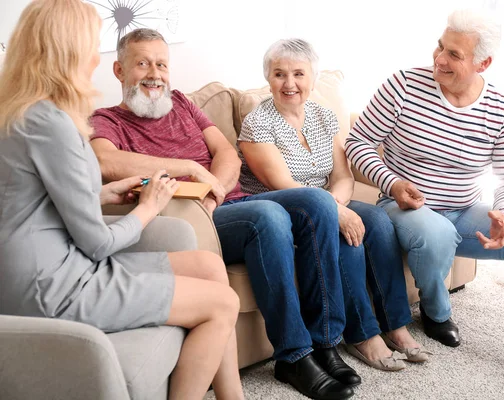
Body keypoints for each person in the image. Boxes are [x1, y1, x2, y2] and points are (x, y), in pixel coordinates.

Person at [345, 8, 504, 399]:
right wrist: (392, 183)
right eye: (439, 47)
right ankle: (436, 312)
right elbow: (357, 142)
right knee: (434, 230)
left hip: (464, 211)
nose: (439, 59)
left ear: (484, 62)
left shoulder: (503, 110)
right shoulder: (402, 85)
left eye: (454, 55)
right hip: (401, 208)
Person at [90, 28, 358, 400]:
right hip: (187, 218)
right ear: (119, 70)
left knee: (316, 201)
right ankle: (293, 356)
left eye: (162, 64)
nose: (155, 73)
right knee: (269, 216)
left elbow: (227, 153)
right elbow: (105, 160)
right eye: (142, 63)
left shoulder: (182, 103)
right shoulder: (107, 120)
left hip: (227, 205)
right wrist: (186, 165)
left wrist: (215, 191)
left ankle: (324, 341)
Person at [0, 1, 243, 400]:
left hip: (42, 268)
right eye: (93, 45)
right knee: (221, 302)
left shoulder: (21, 111)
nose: (97, 56)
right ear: (70, 49)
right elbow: (97, 245)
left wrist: (102, 194)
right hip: (52, 285)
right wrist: (148, 207)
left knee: (208, 265)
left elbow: (31, 203)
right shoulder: (53, 123)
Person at [238, 38, 431, 372]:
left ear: (312, 78)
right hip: (288, 210)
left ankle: (395, 325)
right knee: (347, 237)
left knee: (378, 222)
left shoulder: (323, 116)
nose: (289, 83)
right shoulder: (257, 124)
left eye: (298, 74)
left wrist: (338, 205)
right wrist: (333, 212)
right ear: (268, 78)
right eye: (279, 74)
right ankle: (363, 335)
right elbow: (281, 184)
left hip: (328, 199)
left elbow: (343, 175)